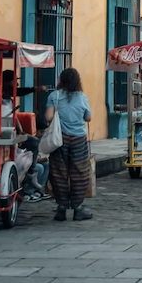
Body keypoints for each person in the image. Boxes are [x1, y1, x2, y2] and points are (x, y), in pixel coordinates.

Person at [44, 68, 94, 221]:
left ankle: (61, 208)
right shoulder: (82, 97)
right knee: (79, 173)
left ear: (62, 80)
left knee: (59, 173)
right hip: (78, 139)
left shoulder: (55, 96)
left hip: (60, 140)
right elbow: (88, 117)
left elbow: (48, 117)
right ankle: (78, 208)